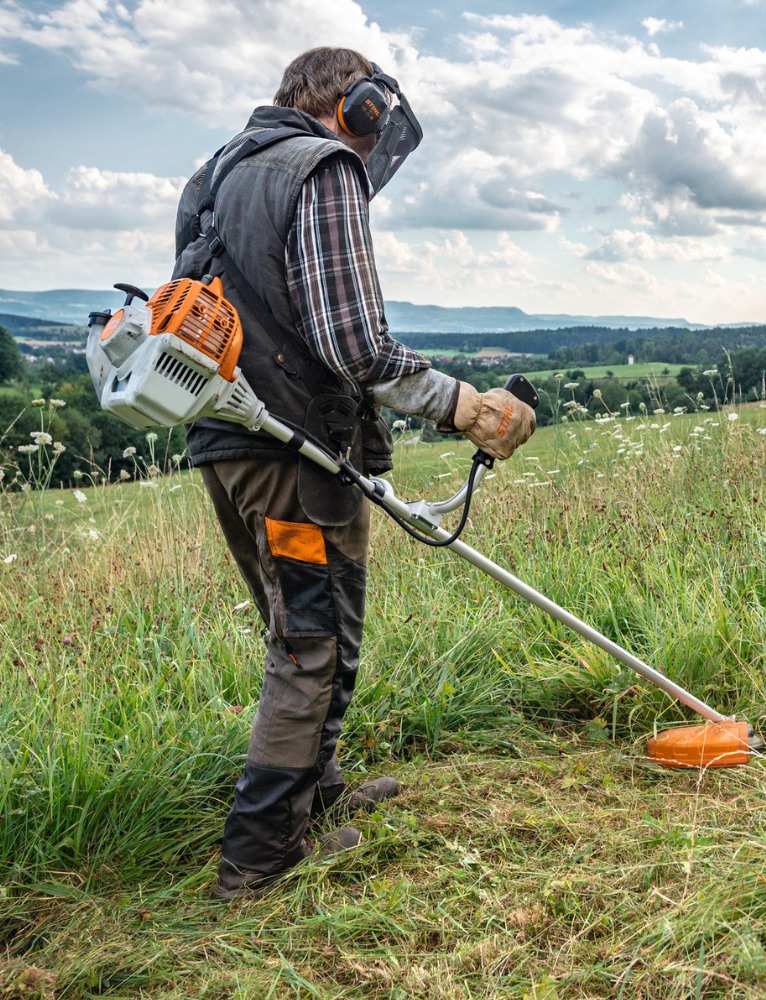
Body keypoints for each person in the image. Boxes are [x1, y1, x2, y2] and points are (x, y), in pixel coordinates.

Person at [171, 46, 536, 899]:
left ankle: (314, 797)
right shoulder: (323, 164)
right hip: (293, 450)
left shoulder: (216, 175)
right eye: (375, 127)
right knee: (313, 642)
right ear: (359, 106)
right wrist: (464, 406)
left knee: (308, 630)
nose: (375, 153)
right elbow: (354, 344)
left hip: (230, 442)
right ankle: (258, 861)